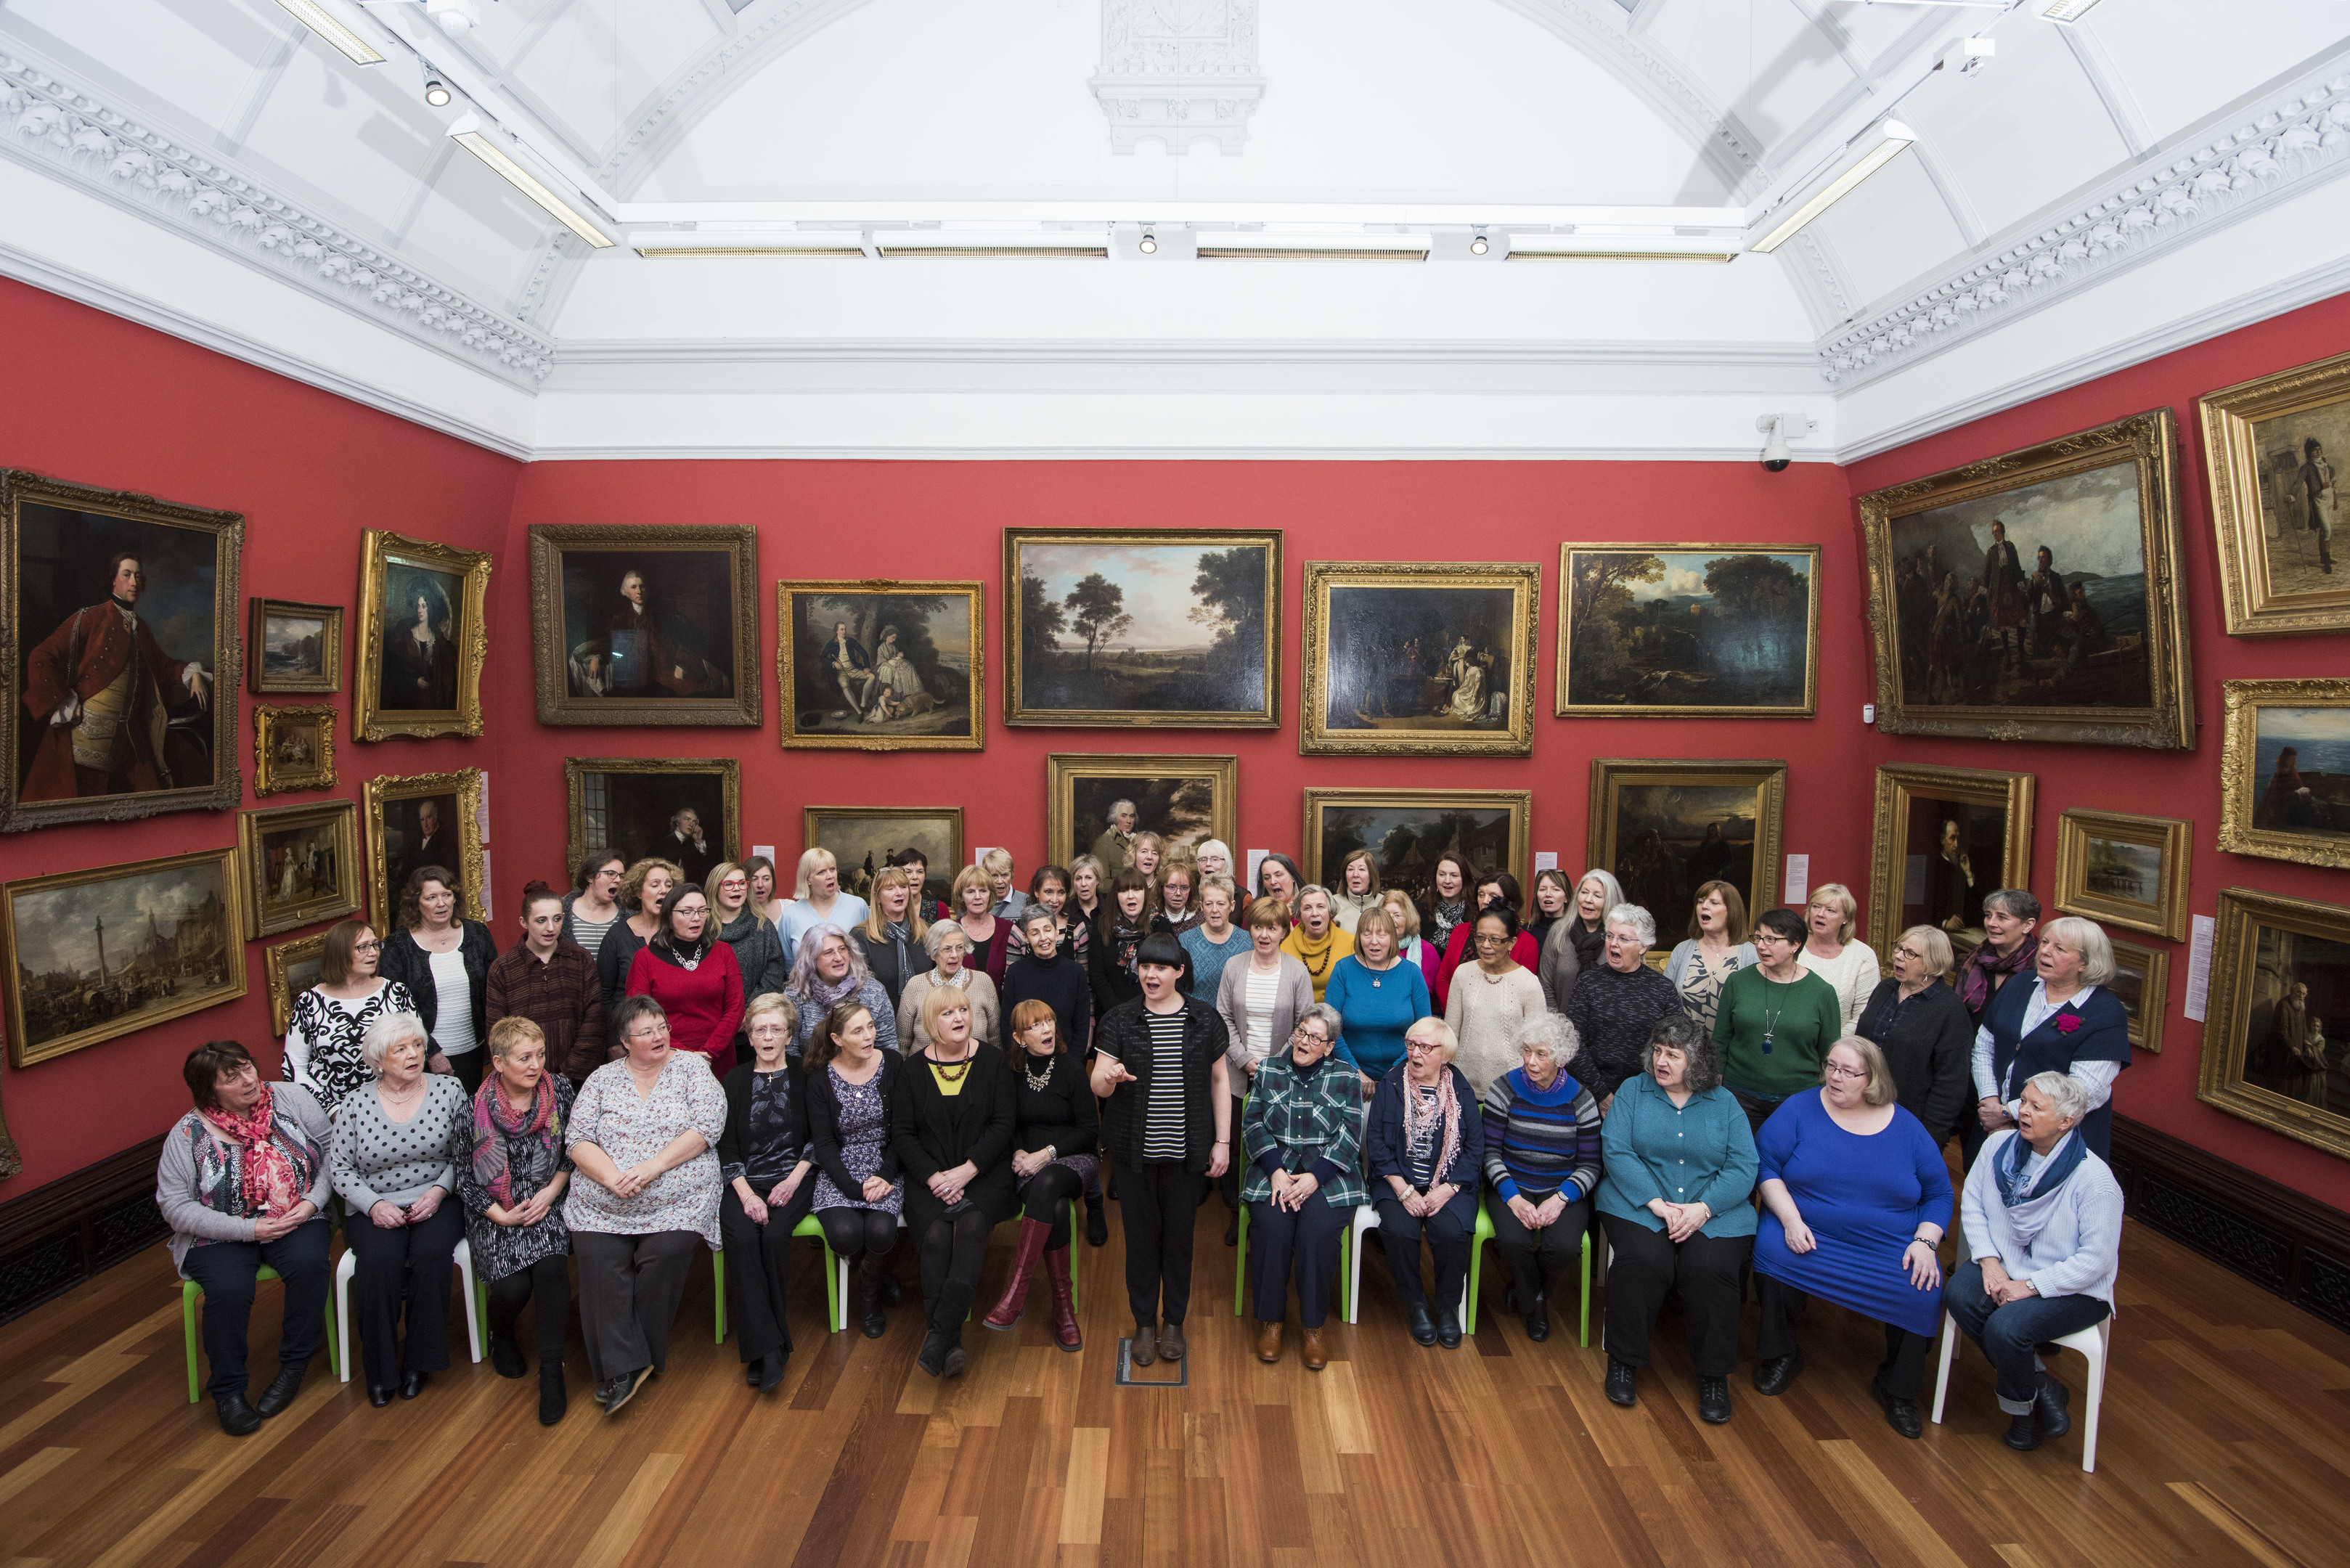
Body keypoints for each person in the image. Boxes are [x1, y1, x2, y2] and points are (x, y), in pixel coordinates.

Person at [1750, 1038, 1952, 1438]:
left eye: (1848, 1072)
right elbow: (1765, 1164)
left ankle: (1897, 1388)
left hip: (1887, 1243)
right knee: (1773, 1252)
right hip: (1808, 1227)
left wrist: (1926, 1242)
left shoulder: (1907, 1127)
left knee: (1922, 1287)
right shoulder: (1800, 1108)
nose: (1835, 1077)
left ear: (1872, 1079)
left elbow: (1940, 1194)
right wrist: (1789, 1219)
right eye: (1831, 1067)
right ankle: (1781, 1354)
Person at [158, 1041, 332, 1434]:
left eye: (248, 1067)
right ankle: (229, 1391)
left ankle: (294, 1364)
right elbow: (174, 1206)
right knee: (230, 1290)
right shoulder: (188, 1134)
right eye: (232, 1077)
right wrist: (248, 1229)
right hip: (221, 1234)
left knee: (309, 1265)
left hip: (297, 1216)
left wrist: (310, 1204)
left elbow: (334, 1153)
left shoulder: (291, 1098)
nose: (249, 1079)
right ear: (209, 1090)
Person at [564, 996, 727, 1416]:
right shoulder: (601, 1079)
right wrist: (610, 1177)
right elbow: (577, 1138)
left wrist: (653, 1167)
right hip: (604, 1200)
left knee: (662, 1256)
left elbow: (709, 1126)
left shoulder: (692, 1068)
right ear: (623, 1041)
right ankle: (632, 1365)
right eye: (646, 1031)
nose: (658, 1036)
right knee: (601, 1262)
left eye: (662, 1027)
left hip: (678, 1195)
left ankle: (623, 1365)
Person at [1948, 1072, 2123, 1453]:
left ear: (2066, 1122)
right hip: (2006, 1266)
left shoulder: (2095, 1182)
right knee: (1960, 1294)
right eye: (2023, 1101)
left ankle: (2022, 1414)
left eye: (2035, 1107)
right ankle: (2043, 1386)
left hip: (2074, 1288)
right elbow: (1974, 1205)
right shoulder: (1997, 1146)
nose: (2022, 1111)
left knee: (2006, 1329)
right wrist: (1991, 1263)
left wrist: (2028, 1287)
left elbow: (2096, 1261)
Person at [1597, 1016, 1758, 1423]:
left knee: (1712, 1269)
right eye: (1658, 1051)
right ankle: (1623, 1362)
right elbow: (1616, 1151)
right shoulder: (1633, 1091)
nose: (1661, 1061)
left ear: (1697, 1060)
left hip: (1712, 1210)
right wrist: (1656, 1203)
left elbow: (1744, 1165)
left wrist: (1703, 1209)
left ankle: (1713, 1376)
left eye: (1673, 1054)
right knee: (1645, 1262)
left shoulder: (1725, 1103)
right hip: (1639, 1203)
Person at [1091, 934, 1234, 1365]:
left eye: (1160, 968)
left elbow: (1219, 1081)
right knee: (1139, 1240)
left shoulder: (1206, 1020)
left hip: (1187, 1151)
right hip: (1134, 1153)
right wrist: (1110, 1078)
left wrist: (1222, 1142)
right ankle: (1144, 1324)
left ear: (1179, 972)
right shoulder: (1119, 1020)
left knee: (1179, 1239)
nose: (1150, 975)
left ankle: (1173, 1321)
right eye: (1144, 967)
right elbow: (1097, 1082)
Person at [331, 1012, 469, 1407]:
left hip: (438, 1199)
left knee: (429, 1255)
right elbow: (339, 1169)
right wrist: (373, 1205)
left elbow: (466, 1153)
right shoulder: (355, 1104)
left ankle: (419, 1362)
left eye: (418, 1046)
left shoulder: (450, 1089)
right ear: (378, 1060)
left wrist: (440, 1192)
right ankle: (380, 1370)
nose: (414, 1054)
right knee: (377, 1264)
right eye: (401, 1049)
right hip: (375, 1206)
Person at [892, 987, 1018, 1378]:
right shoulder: (911, 1070)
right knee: (934, 1237)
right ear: (932, 1022)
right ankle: (949, 1341)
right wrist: (934, 1177)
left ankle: (940, 1335)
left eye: (963, 1010)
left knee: (972, 1227)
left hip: (983, 1172)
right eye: (947, 1013)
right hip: (928, 1176)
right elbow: (903, 1134)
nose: (959, 1018)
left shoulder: (994, 1061)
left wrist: (967, 1171)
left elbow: (1003, 1125)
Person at [457, 1016, 576, 1425]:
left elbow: (573, 1152)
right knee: (512, 1287)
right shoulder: (472, 1107)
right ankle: (502, 1331)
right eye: (524, 1058)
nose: (535, 1065)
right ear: (498, 1062)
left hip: (548, 1198)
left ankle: (551, 1371)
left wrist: (551, 1193)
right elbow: (465, 1181)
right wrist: (502, 1216)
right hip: (495, 1209)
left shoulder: (559, 1090)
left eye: (540, 1055)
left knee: (552, 1267)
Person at [21, 551, 213, 800]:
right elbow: (41, 655)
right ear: (114, 580)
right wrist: (63, 701)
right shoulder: (92, 617)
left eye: (138, 576)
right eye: (127, 575)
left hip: (130, 734)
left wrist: (193, 674)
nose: (134, 582)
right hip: (89, 732)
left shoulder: (140, 627)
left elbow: (164, 665)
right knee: (87, 804)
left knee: (154, 798)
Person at [1241, 1003, 1365, 1368]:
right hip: (1274, 1171)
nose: (1304, 1042)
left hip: (1327, 1176)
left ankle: (1313, 1328)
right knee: (1272, 1228)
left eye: (1315, 1038)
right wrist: (1276, 1172)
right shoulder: (1268, 1070)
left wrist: (1315, 1178)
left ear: (1329, 1047)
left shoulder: (1346, 1076)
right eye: (1301, 1032)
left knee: (1317, 1233)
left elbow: (1350, 1135)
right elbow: (1253, 1125)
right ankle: (1272, 1322)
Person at [982, 999, 1097, 1350]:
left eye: (1049, 1021)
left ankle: (1015, 1295)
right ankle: (1064, 1310)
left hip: (1073, 1159)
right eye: (1035, 1026)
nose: (1046, 1029)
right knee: (1058, 1210)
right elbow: (1005, 1122)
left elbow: (1090, 1130)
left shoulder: (1071, 1068)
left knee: (1048, 1182)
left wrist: (1045, 1155)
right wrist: (1018, 1151)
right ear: (1018, 1038)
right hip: (1024, 1164)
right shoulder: (1010, 1072)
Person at [1482, 1013, 1602, 1344]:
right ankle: (1535, 1304)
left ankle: (1526, 1289)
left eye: (1541, 1054)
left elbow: (1591, 1164)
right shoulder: (1504, 1088)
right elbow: (1489, 1152)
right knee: (1511, 1241)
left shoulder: (1582, 1099)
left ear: (1560, 1057)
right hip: (1511, 1182)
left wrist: (1561, 1198)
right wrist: (1513, 1197)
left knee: (1564, 1248)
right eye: (1526, 1051)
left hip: (1561, 1187)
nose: (1531, 1062)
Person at [1367, 1018, 1485, 1349]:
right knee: (1400, 1230)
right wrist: (1403, 1190)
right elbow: (1375, 1143)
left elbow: (1475, 1149)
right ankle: (1416, 1303)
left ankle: (1448, 1308)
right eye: (1410, 1045)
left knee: (1451, 1233)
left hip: (1451, 1184)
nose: (1415, 1054)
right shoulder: (1390, 1085)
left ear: (1444, 1055)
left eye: (1425, 1047)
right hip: (1396, 1182)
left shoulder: (1461, 1091)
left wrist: (1448, 1189)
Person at [1972, 915, 2130, 1164]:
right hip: (1994, 1128)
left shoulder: (2105, 1012)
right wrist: (1990, 1100)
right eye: (2045, 942)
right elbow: (1984, 1046)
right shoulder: (2020, 984)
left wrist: (2007, 1112)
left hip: (2055, 1147)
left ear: (2085, 964)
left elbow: (2085, 1093)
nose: (2045, 951)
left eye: (2059, 948)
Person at [718, 995, 815, 1393]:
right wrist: (746, 1195)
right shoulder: (735, 1080)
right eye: (761, 1029)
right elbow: (725, 1146)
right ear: (750, 1035)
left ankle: (764, 1348)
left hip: (794, 1176)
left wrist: (792, 1181)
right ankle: (771, 1347)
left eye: (777, 1029)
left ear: (790, 1035)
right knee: (741, 1238)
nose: (769, 1036)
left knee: (775, 1236)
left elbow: (818, 1139)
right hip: (746, 1181)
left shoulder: (807, 1075)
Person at [806, 997, 907, 1338]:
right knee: (846, 1235)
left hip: (885, 1163)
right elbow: (824, 1144)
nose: (869, 1036)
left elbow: (904, 1131)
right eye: (858, 1031)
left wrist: (885, 1174)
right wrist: (852, 1187)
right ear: (837, 1039)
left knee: (881, 1231)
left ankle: (868, 1297)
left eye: (871, 1027)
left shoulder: (892, 1063)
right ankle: (878, 1277)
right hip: (839, 1169)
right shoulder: (820, 1079)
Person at [1216, 897, 1315, 1240]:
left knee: (1272, 1143)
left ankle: (1269, 1209)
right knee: (1236, 1143)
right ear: (1251, 929)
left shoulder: (1296, 971)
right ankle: (1235, 1212)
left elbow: (1305, 1025)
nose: (1264, 934)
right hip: (1237, 1074)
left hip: (1283, 1076)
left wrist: (1273, 1065)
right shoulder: (1234, 966)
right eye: (1258, 926)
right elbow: (1223, 1019)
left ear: (1284, 931)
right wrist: (1244, 1060)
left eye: (1272, 928)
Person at [1714, 907, 1845, 1132]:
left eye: (1771, 939)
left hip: (1798, 1100)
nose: (1761, 945)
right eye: (1758, 937)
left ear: (1795, 945)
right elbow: (1720, 1040)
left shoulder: (1822, 993)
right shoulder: (1738, 982)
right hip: (1739, 1096)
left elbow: (1831, 1054)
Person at [378, 866, 497, 1093]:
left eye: (447, 895)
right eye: (431, 897)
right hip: (420, 1058)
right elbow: (396, 1011)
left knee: (468, 1118)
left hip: (474, 1051)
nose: (441, 903)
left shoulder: (477, 933)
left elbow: (495, 991)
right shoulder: (398, 946)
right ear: (417, 903)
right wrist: (431, 1052)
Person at [282, 918, 417, 1117]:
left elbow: (416, 1052)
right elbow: (293, 1068)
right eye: (362, 947)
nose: (373, 952)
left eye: (374, 944)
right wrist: (333, 1111)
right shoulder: (310, 1002)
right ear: (340, 953)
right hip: (332, 1117)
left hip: (396, 1108)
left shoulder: (396, 993)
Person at [1856, 925, 1974, 1147]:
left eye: (1910, 954)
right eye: (1899, 948)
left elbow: (1951, 1081)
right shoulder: (1885, 988)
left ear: (1932, 963)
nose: (1898, 956)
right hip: (1861, 1107)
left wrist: (1931, 1136)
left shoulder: (1949, 1009)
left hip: (1909, 1120)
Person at [1562, 904, 1684, 1110]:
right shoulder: (1588, 983)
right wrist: (1602, 1095)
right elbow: (1572, 1042)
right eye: (1610, 936)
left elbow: (1676, 1047)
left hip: (1648, 1096)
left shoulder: (1663, 989)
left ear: (1643, 946)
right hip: (1590, 1096)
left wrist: (1645, 1094)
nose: (1613, 944)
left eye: (1623, 939)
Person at [486, 882, 608, 1087]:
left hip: (578, 1081)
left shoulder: (581, 960)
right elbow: (498, 1033)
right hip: (524, 1082)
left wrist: (567, 1073)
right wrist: (530, 1072)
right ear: (524, 922)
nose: (551, 928)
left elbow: (595, 1019)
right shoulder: (503, 969)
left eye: (557, 919)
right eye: (541, 920)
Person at [625, 881, 745, 1079]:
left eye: (702, 911)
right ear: (669, 917)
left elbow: (735, 1008)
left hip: (718, 1057)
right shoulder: (644, 958)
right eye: (687, 912)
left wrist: (710, 1053)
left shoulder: (724, 952)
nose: (696, 918)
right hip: (664, 1057)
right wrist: (684, 1055)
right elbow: (640, 1014)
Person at [1443, 904, 1547, 1096]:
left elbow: (1537, 1045)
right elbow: (1450, 1034)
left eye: (1495, 940)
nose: (1486, 945)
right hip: (1463, 1085)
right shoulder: (1463, 974)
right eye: (1480, 938)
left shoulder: (1528, 983)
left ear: (1511, 942)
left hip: (1512, 1089)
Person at [1325, 904, 1431, 1086]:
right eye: (1367, 934)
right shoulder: (1343, 969)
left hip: (1404, 1076)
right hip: (1347, 1074)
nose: (1374, 941)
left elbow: (1424, 1030)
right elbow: (1330, 1027)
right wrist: (1355, 1071)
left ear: (1392, 937)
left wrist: (1397, 1071)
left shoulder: (1411, 973)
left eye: (1382, 934)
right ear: (1359, 937)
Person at [707, 862, 790, 1061]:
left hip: (751, 1029)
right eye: (728, 884)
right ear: (714, 888)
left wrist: (748, 1012)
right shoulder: (702, 928)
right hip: (710, 1028)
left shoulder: (762, 925)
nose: (736, 888)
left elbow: (774, 973)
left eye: (742, 883)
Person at [785, 923, 899, 1061]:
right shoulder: (797, 993)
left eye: (842, 949)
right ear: (812, 959)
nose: (839, 958)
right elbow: (790, 1049)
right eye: (829, 952)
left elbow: (888, 1045)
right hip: (811, 1075)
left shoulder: (872, 989)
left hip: (866, 1074)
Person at [1432, 871, 1541, 1013]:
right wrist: (1458, 1010)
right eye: (1481, 894)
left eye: (1493, 896)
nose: (1484, 900)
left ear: (1509, 901)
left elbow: (1521, 990)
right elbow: (1443, 978)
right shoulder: (1460, 931)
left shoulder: (1527, 942)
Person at [1665, 881, 1757, 1037]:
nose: (1704, 907)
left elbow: (1757, 1010)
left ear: (1732, 911)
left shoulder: (1751, 954)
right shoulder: (1682, 950)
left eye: (1714, 903)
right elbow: (1664, 1001)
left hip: (1730, 1053)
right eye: (1700, 902)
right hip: (1686, 1053)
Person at [595, 858, 680, 1020]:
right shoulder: (617, 935)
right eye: (655, 885)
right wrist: (614, 1040)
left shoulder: (681, 932)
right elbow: (604, 993)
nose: (664, 891)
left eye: (669, 885)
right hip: (629, 1029)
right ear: (637, 892)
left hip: (675, 1027)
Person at [1002, 904, 1090, 1057]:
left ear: (1056, 931)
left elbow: (1081, 1026)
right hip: (1024, 1065)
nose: (1043, 938)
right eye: (1035, 933)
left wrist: (1072, 1063)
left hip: (1067, 1061)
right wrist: (1019, 1064)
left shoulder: (1075, 972)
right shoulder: (1016, 973)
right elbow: (1008, 1026)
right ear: (1026, 938)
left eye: (1048, 930)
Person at [900, 920, 1004, 1050]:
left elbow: (995, 1039)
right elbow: (902, 1042)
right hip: (924, 1069)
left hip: (976, 1067)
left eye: (960, 948)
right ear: (934, 954)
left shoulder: (983, 982)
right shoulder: (915, 985)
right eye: (947, 949)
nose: (954, 955)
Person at [1538, 869, 1626, 1013]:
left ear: (1609, 902)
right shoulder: (1559, 932)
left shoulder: (1619, 938)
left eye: (1597, 896)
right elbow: (1545, 985)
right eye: (1584, 892)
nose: (1588, 900)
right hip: (1562, 1029)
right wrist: (1558, 1026)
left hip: (1607, 1030)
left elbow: (1627, 987)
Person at [1796, 883, 1881, 1034]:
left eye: (1830, 910)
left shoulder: (1863, 955)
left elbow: (1864, 1013)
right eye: (1816, 907)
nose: (1820, 914)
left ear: (1846, 918)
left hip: (1837, 1049)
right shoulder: (1793, 945)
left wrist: (1833, 1046)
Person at [1955, 889, 2041, 1030]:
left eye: (2002, 917)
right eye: (1988, 915)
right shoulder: (1973, 959)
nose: (1991, 923)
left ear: (2027, 925)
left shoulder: (2040, 966)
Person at [852, 865, 933, 1010]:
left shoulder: (925, 931)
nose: (899, 893)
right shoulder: (861, 936)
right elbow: (857, 991)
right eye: (890, 889)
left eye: (903, 887)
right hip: (881, 1025)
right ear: (877, 897)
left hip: (924, 1023)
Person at [1093, 865, 1168, 1015]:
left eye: (1137, 889)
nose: (1131, 896)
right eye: (1124, 890)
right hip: (1112, 1015)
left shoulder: (1161, 926)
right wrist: (1120, 1013)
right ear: (1116, 896)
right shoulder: (1102, 926)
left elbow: (1167, 973)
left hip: (1154, 1012)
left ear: (1145, 894)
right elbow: (1097, 978)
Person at [779, 848, 870, 965]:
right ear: (807, 879)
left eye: (832, 869)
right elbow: (789, 966)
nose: (830, 876)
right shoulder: (790, 915)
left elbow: (871, 955)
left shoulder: (858, 906)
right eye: (821, 872)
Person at [383, 582, 458, 709]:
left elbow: (444, 675)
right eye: (418, 606)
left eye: (424, 606)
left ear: (431, 609)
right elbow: (393, 672)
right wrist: (414, 682)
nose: (419, 610)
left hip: (431, 702)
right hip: (407, 700)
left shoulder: (437, 640)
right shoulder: (406, 636)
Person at [1002, 864, 1092, 968]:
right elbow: (1012, 976)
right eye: (1048, 892)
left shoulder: (1077, 926)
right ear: (1036, 892)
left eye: (1061, 892)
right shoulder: (1019, 930)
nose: (1054, 900)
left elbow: (1083, 977)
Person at [1180, 875, 1252, 1005]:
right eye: (1209, 904)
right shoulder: (1186, 941)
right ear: (1201, 906)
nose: (1214, 910)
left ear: (1232, 905)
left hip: (1236, 1020)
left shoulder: (1248, 941)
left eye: (1221, 904)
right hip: (1198, 1019)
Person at [1281, 886, 1357, 1005]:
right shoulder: (1284, 947)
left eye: (1321, 907)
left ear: (1330, 911)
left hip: (1338, 1018)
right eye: (1307, 908)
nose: (1314, 913)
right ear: (1299, 914)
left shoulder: (1350, 943)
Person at [947, 865, 1008, 987]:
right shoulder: (949, 932)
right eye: (971, 891)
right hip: (960, 1005)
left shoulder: (1008, 930)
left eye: (983, 891)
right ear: (961, 896)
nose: (978, 897)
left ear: (990, 894)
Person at [563, 852, 627, 960]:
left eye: (621, 876)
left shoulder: (628, 918)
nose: (618, 880)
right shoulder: (560, 913)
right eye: (611, 874)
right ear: (590, 877)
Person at [1382, 889, 1442, 996]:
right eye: (1386, 915)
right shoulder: (1373, 949)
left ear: (1409, 918)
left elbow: (1437, 994)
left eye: (1397, 915)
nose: (1391, 920)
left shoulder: (1427, 951)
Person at [1928, 819, 1977, 932]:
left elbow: (1975, 909)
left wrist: (1968, 873)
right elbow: (1927, 909)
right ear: (1942, 840)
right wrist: (1945, 923)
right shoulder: (1933, 867)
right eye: (1952, 838)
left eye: (1958, 839)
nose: (1957, 844)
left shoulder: (1961, 867)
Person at [1424, 851, 1473, 958]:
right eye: (1442, 874)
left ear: (1464, 879)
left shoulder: (1475, 912)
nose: (1447, 880)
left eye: (1454, 875)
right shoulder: (1421, 910)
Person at [890, 849, 950, 925]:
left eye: (920, 872)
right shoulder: (887, 908)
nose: (915, 877)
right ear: (897, 876)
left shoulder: (940, 908)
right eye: (908, 872)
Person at [666, 807, 719, 889]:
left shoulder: (693, 844)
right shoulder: (664, 843)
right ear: (677, 822)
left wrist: (699, 841)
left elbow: (705, 870)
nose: (691, 824)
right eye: (687, 819)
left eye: (694, 822)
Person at [1331, 850, 1382, 935]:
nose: (1355, 875)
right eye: (1350, 869)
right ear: (1345, 876)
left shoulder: (1384, 903)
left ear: (1372, 875)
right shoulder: (1333, 903)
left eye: (1361, 869)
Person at [1068, 854, 1109, 947]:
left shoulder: (1109, 909)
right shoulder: (1067, 912)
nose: (1083, 884)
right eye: (1078, 878)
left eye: (1088, 878)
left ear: (1097, 880)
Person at [1527, 868, 1572, 952]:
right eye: (1543, 889)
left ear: (1566, 897)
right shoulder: (1526, 932)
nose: (1548, 894)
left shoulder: (1574, 931)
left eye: (1555, 889)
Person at [981, 848, 1029, 926]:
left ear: (1012, 875)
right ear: (986, 876)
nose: (1000, 881)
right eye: (994, 876)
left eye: (1004, 875)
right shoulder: (977, 902)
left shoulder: (1025, 901)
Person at [1156, 860, 1202, 940]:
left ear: (1191, 890)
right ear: (1161, 889)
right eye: (1172, 887)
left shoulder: (1200, 919)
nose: (1178, 893)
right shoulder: (1153, 920)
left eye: (1184, 888)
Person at [1092, 799, 1139, 872]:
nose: (1129, 821)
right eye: (1123, 816)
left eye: (1132, 816)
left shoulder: (1140, 840)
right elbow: (1103, 880)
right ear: (1114, 818)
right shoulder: (1103, 843)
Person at [746, 854, 791, 929]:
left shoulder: (789, 908)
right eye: (754, 879)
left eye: (766, 879)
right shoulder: (737, 913)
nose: (760, 885)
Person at [1256, 853, 1302, 926]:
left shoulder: (1307, 912)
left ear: (1292, 877)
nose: (1273, 882)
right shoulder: (1256, 912)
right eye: (1267, 878)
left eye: (1278, 875)